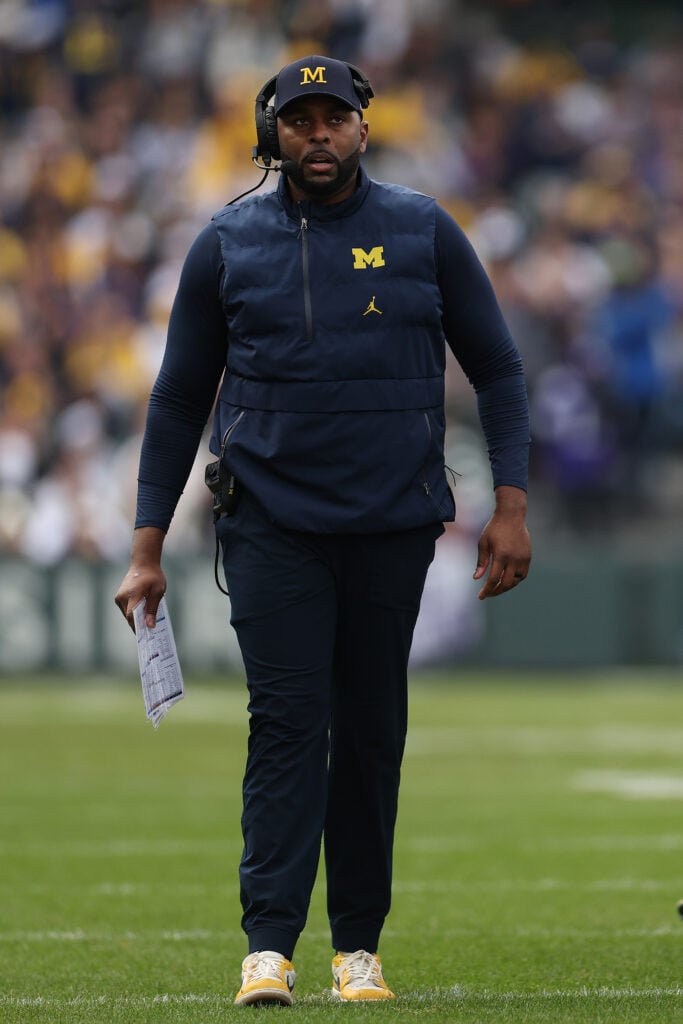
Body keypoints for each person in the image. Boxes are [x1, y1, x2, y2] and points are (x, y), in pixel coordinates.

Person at [115, 54, 531, 1006]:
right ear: (271, 132)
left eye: (333, 118)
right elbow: (178, 398)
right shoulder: (224, 243)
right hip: (271, 525)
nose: (317, 134)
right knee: (286, 726)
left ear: (362, 129)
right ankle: (267, 947)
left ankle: (357, 948)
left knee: (372, 731)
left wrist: (509, 504)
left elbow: (498, 369)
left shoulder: (424, 229)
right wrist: (146, 545)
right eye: (299, 119)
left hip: (393, 524)